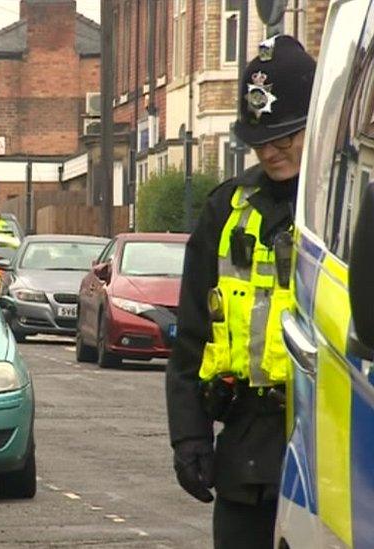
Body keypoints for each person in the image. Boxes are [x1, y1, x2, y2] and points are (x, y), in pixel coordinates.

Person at [165, 35, 315, 548]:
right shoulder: (226, 210)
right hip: (247, 451)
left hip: (327, 446)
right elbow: (190, 335)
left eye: (285, 135)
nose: (270, 150)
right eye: (259, 138)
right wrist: (189, 437)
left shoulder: (340, 207)